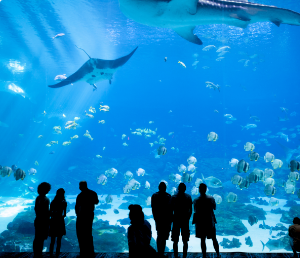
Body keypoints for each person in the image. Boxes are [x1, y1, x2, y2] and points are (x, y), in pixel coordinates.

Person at [193, 183, 220, 258]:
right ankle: (218, 254)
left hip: (200, 222)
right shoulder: (211, 198)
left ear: (199, 190)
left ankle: (204, 256)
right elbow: (214, 208)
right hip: (209, 221)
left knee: (202, 240)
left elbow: (195, 210)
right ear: (205, 189)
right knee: (214, 238)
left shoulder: (196, 200)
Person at [75, 181, 99, 257]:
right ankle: (90, 252)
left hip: (81, 216)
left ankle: (83, 252)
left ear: (82, 186)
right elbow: (96, 202)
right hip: (89, 214)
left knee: (80, 233)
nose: (79, 187)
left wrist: (77, 214)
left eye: (80, 186)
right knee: (88, 233)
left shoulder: (80, 195)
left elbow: (77, 206)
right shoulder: (93, 193)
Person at [170, 183, 192, 258]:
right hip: (185, 220)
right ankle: (184, 256)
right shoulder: (188, 197)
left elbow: (170, 210)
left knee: (175, 240)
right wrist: (188, 218)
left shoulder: (173, 197)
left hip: (176, 220)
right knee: (185, 241)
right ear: (185, 189)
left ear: (178, 188)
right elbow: (190, 210)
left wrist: (172, 218)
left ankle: (176, 256)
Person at [151, 182, 172, 257]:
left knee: (159, 235)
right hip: (166, 220)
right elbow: (170, 209)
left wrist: (155, 218)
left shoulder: (154, 196)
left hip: (158, 219)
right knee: (164, 237)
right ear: (165, 188)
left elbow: (153, 208)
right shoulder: (168, 196)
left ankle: (159, 252)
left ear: (158, 187)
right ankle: (161, 253)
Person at [33, 182, 51, 258]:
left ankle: (36, 254)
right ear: (46, 190)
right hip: (43, 222)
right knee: (41, 239)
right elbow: (46, 212)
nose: (48, 191)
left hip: (37, 220)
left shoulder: (38, 198)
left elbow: (36, 209)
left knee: (37, 238)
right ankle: (39, 255)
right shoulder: (46, 199)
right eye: (48, 189)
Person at [49, 188, 67, 258]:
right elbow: (64, 214)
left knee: (52, 240)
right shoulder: (64, 202)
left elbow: (50, 212)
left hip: (53, 221)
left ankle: (50, 254)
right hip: (60, 221)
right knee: (59, 239)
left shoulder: (53, 202)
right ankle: (57, 255)